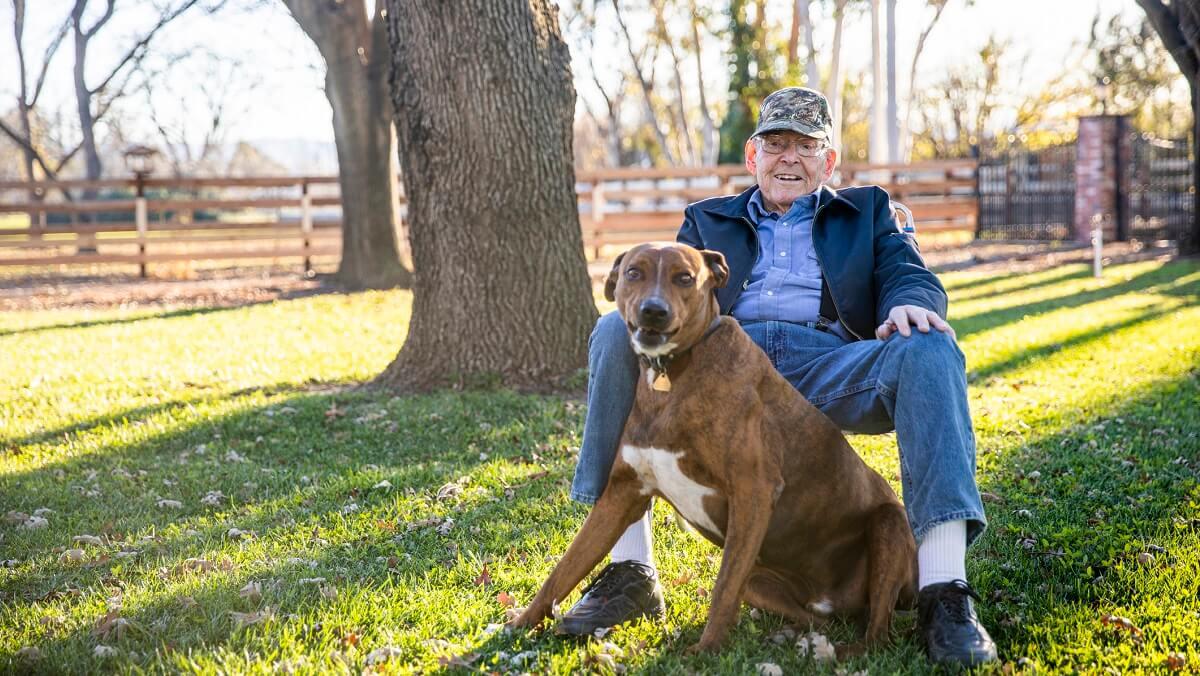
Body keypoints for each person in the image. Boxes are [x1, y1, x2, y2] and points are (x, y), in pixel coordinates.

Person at [560, 87, 997, 666]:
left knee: (932, 348)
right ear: (753, 156)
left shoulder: (868, 212)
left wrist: (907, 303)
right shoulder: (707, 219)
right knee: (613, 332)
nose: (789, 157)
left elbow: (907, 271)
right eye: (776, 143)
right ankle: (628, 571)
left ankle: (944, 590)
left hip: (828, 364)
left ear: (829, 161)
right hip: (727, 371)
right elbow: (670, 297)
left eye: (806, 145)